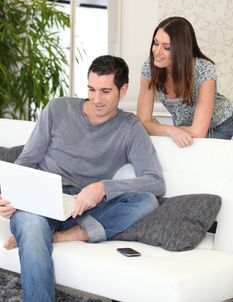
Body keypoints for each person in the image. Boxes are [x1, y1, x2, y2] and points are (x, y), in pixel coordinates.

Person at [0, 55, 165, 302]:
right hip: (42, 200)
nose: (96, 99)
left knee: (146, 200)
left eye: (106, 91)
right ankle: (39, 236)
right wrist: (12, 196)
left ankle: (63, 236)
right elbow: (26, 161)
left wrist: (102, 187)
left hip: (86, 206)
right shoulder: (58, 108)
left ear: (124, 89)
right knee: (32, 226)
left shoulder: (130, 127)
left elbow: (155, 182)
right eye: (91, 89)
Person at [137, 16, 233, 147]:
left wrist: (157, 128)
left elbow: (198, 131)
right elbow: (142, 122)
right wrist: (169, 130)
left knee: (198, 164)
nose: (157, 52)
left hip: (219, 126)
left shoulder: (204, 70)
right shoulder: (150, 67)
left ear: (181, 50)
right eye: (155, 43)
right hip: (183, 128)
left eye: (167, 47)